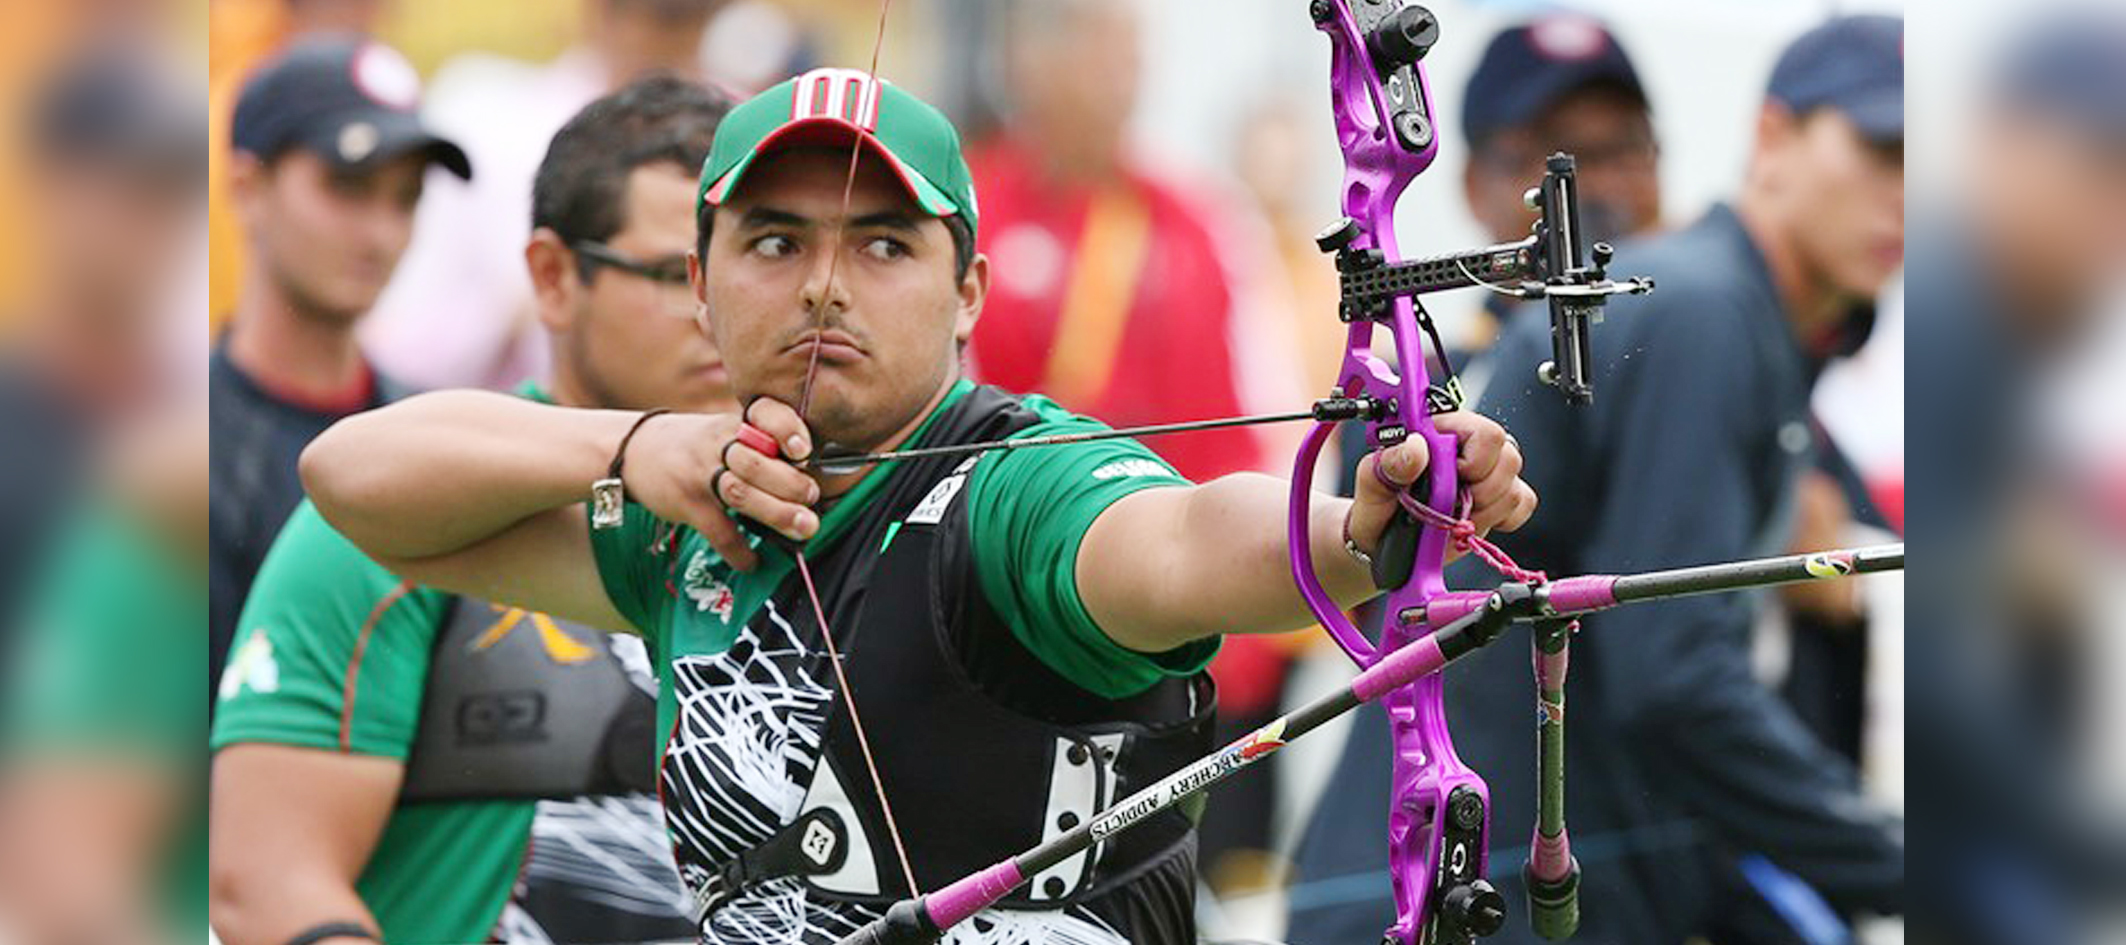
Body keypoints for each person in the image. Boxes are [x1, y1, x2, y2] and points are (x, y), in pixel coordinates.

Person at [297, 67, 1535, 943]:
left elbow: (1172, 542)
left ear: (967, 292)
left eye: (884, 245)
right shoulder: (699, 518)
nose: (825, 286)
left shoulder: (1014, 492)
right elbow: (353, 483)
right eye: (774, 243)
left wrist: (1364, 529)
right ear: (701, 281)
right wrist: (638, 445)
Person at [1293, 16, 1906, 945]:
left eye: (1627, 149)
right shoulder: (1700, 313)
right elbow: (1677, 677)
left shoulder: (1733, 329)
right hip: (1457, 899)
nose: (1903, 195)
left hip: (1505, 888)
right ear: (1773, 139)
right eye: (1880, 149)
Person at [208, 76, 735, 945]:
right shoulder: (405, 507)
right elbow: (264, 883)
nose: (717, 316)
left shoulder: (826, 519)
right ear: (554, 279)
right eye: (674, 276)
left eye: (759, 257)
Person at [1907, 15, 2126, 944]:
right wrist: (2088, 849)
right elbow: (1940, 669)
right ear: (2003, 145)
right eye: (2098, 167)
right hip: (1956, 847)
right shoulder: (1950, 319)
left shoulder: (2023, 328)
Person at [209, 36, 471, 699]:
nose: (381, 233)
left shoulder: (431, 433)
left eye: (405, 197)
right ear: (248, 188)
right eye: (348, 187)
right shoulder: (166, 451)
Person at [360, 0, 736, 392]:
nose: (705, 315)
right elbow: (402, 351)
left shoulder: (752, 126)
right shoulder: (488, 118)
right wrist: (523, 307)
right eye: (675, 277)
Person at [0, 44, 199, 668]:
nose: (157, 225)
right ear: (53, 189)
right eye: (133, 190)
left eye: (175, 193)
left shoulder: (209, 420)